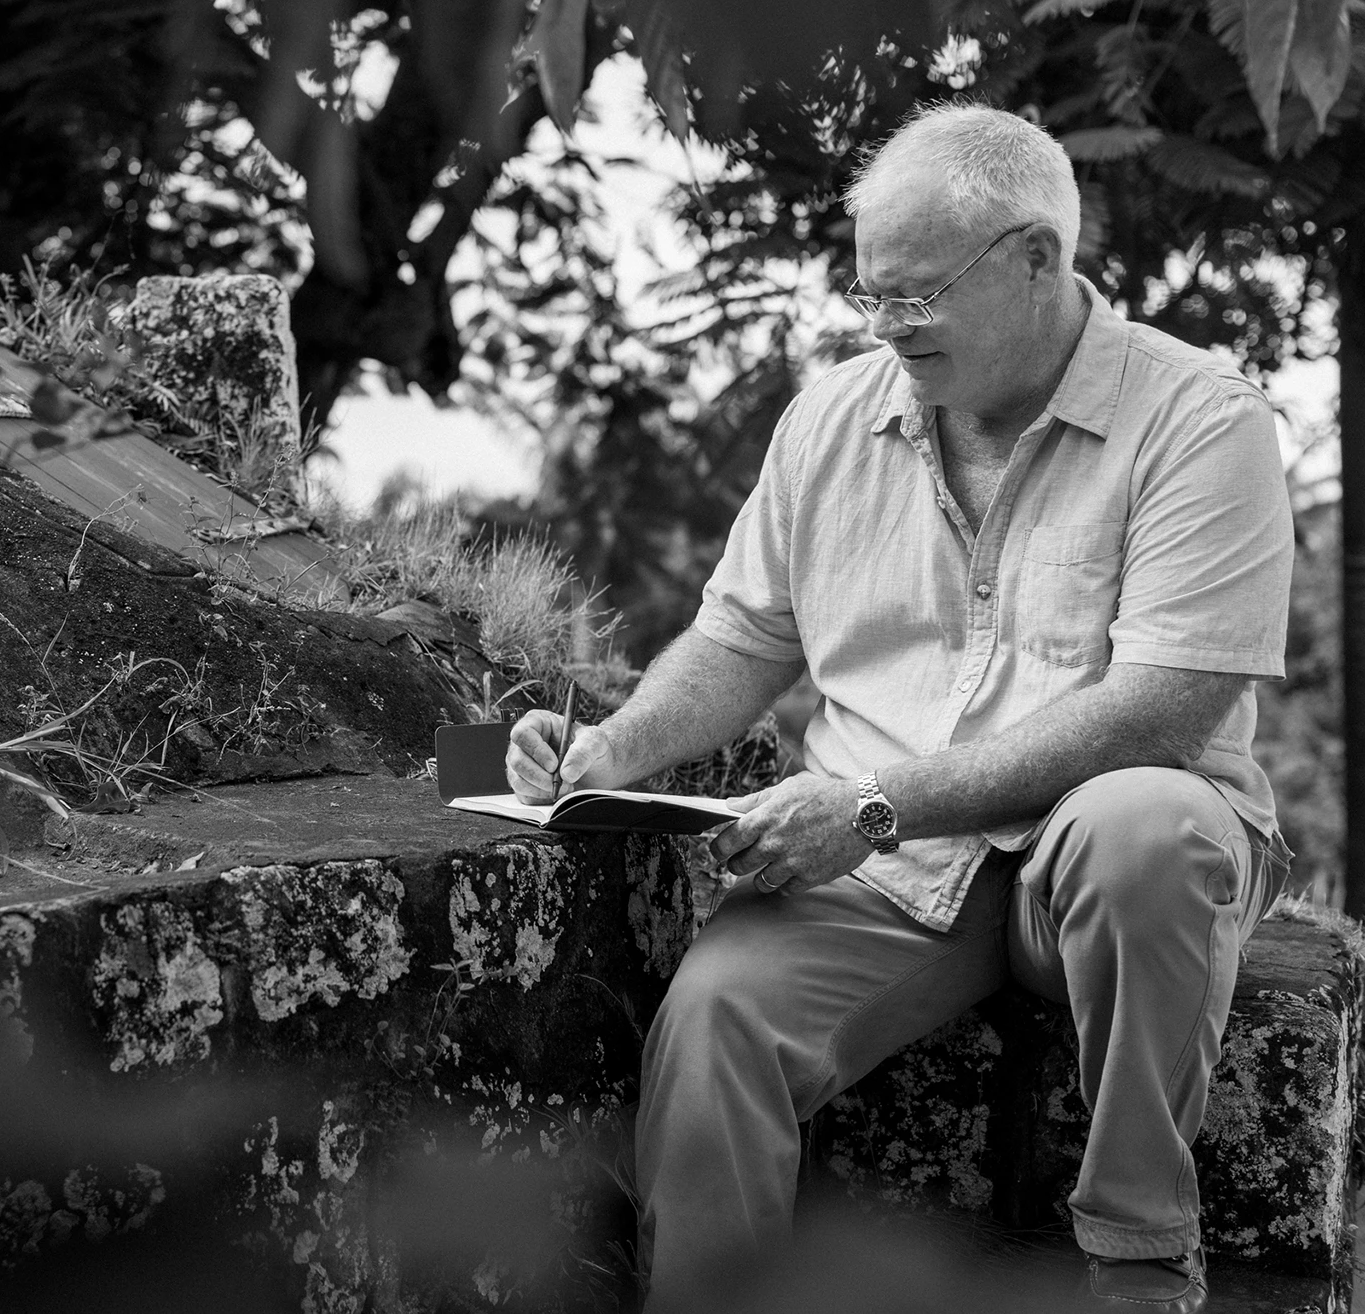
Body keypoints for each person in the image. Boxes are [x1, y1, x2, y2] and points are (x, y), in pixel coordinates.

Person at [505, 101, 1294, 1314]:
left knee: (1151, 829)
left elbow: (1161, 709)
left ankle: (1139, 1262)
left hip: (1075, 861)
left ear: (1039, 260)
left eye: (916, 296)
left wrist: (871, 805)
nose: (885, 326)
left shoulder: (1202, 419)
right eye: (869, 294)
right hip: (890, 877)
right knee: (717, 1016)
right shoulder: (832, 413)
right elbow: (739, 636)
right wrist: (610, 744)